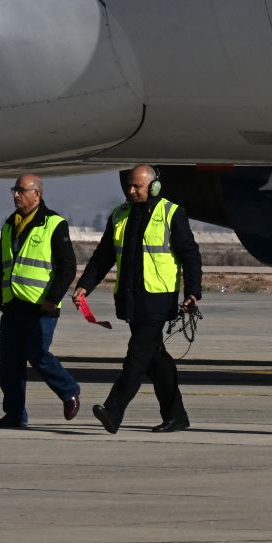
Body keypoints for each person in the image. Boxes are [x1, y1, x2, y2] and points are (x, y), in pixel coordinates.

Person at [73, 165, 202, 433]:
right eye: (129, 186)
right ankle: (176, 415)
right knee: (156, 361)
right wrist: (85, 286)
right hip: (131, 300)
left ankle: (114, 410)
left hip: (158, 299)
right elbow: (103, 256)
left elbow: (190, 255)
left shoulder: (171, 213)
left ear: (154, 186)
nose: (131, 191)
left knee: (136, 356)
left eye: (137, 187)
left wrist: (192, 291)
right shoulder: (120, 215)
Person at [0, 173, 81, 428]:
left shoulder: (53, 223)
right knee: (9, 364)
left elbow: (68, 267)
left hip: (42, 306)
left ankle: (69, 391)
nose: (16, 195)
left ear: (37, 194)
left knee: (38, 354)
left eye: (21, 190)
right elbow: (2, 267)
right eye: (14, 190)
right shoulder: (9, 225)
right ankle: (15, 415)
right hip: (13, 304)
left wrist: (52, 298)